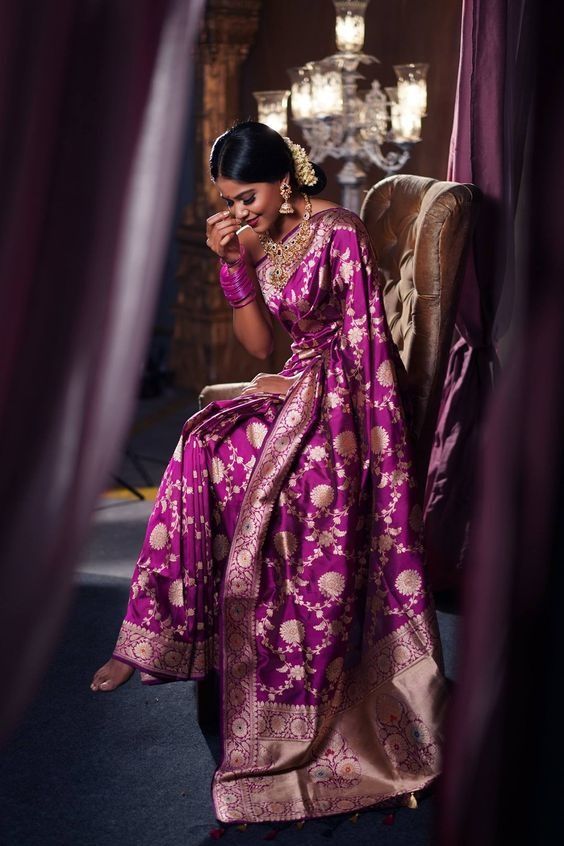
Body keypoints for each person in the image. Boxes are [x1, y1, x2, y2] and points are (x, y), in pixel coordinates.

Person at [91, 121, 448, 824]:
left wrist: (305, 391)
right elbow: (264, 340)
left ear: (286, 178)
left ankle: (224, 649)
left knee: (222, 457)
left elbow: (362, 343)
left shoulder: (338, 231)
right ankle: (155, 637)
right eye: (227, 199)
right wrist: (234, 268)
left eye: (247, 196)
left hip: (344, 408)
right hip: (296, 387)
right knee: (198, 441)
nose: (240, 212)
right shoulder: (260, 236)